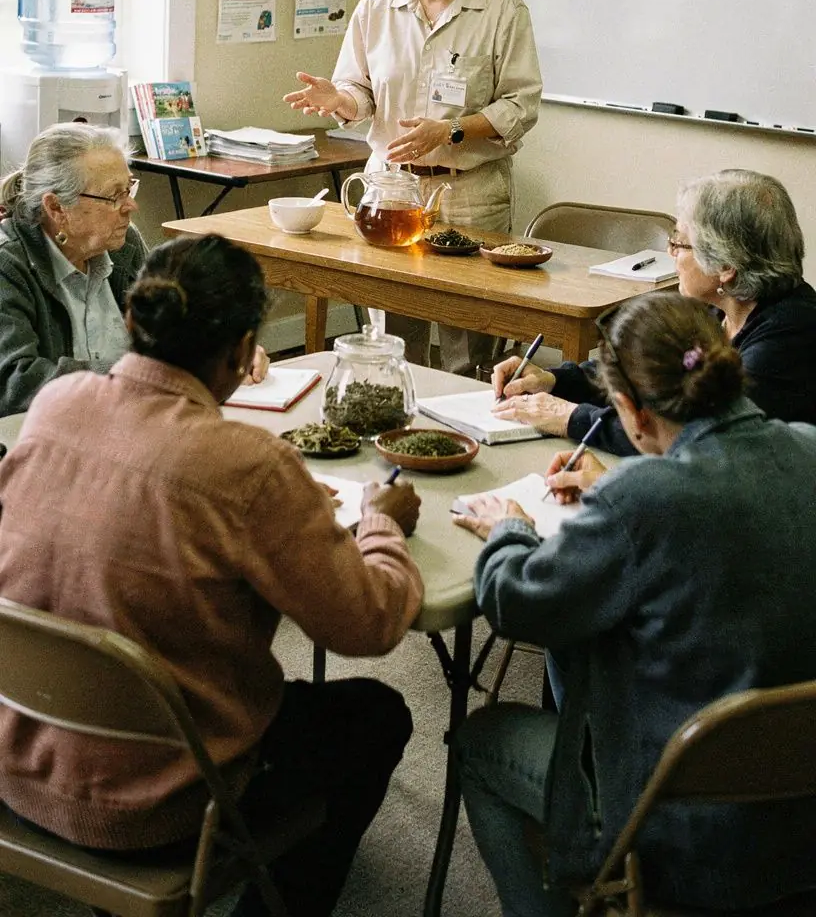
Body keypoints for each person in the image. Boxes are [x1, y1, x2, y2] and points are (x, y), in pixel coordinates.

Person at [0, 233, 423, 917]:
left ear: (132, 322)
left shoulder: (56, 404)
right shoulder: (247, 465)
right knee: (378, 714)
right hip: (160, 806)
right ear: (243, 348)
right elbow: (370, 625)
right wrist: (381, 523)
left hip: (21, 765)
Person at [453, 291, 816, 916]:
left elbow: (514, 603)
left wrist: (510, 528)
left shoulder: (644, 499)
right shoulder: (808, 446)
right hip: (799, 822)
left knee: (480, 743)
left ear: (630, 412)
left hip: (679, 836)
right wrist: (615, 494)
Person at [284, 0, 542, 375]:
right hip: (394, 191)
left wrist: (451, 131)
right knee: (397, 342)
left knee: (468, 345)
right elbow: (361, 91)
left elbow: (521, 104)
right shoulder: (377, 7)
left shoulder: (501, 10)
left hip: (469, 192)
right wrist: (340, 98)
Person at [492, 169, 816, 457]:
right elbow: (642, 368)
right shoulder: (721, 307)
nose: (670, 251)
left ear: (725, 266)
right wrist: (555, 380)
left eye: (680, 243)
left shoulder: (793, 335)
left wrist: (569, 418)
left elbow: (693, 435)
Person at [0, 123, 269, 418]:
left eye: (129, 188)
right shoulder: (8, 264)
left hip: (131, 417)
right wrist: (142, 375)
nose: (131, 206)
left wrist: (225, 353)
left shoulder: (124, 244)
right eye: (114, 196)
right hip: (44, 435)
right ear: (56, 208)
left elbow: (174, 323)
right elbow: (16, 381)